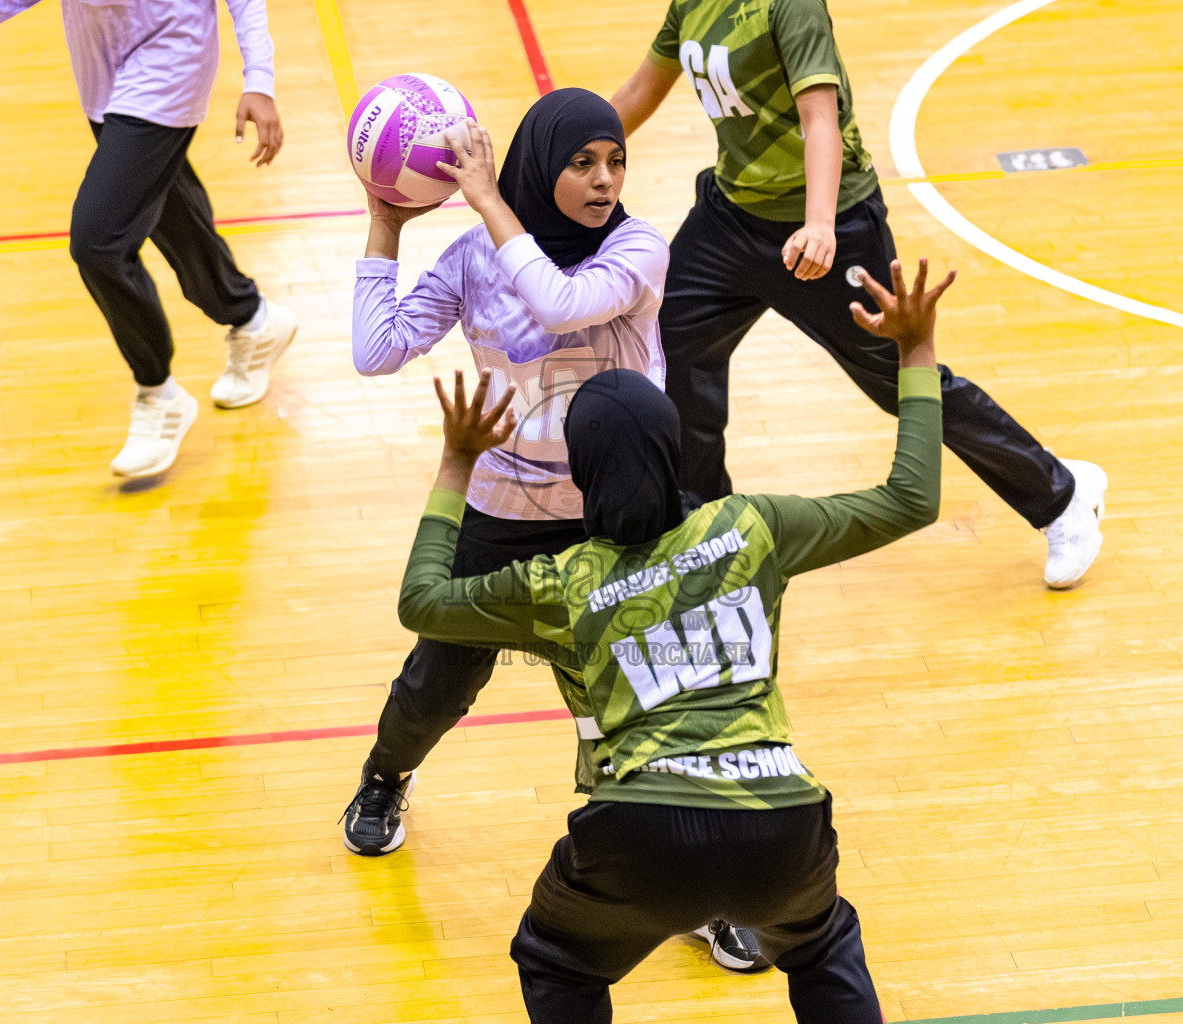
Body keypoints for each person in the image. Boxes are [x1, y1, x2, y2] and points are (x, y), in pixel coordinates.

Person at [396, 255, 953, 1022]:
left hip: (639, 830)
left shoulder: (560, 581)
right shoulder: (751, 526)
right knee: (821, 947)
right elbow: (912, 499)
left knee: (557, 961)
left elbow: (421, 602)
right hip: (780, 818)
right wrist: (916, 351)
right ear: (674, 449)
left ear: (585, 475)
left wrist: (459, 463)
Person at [345, 88, 767, 973]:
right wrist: (384, 223)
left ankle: (707, 888)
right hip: (503, 508)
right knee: (440, 677)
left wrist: (490, 200)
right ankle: (385, 777)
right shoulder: (470, 260)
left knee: (665, 704)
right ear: (545, 165)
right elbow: (376, 348)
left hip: (623, 518)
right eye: (582, 162)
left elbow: (563, 303)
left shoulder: (638, 248)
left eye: (615, 160)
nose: (605, 179)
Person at [608, 0, 1106, 588]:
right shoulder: (690, 4)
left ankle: (1060, 494)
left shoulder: (790, 7)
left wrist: (817, 222)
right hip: (731, 219)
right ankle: (710, 531)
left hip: (831, 225)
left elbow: (820, 116)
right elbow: (642, 88)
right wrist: (551, 156)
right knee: (674, 352)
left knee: (899, 383)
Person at [0, 0, 300, 479]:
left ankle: (157, 391)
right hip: (103, 71)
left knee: (98, 240)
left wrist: (259, 81)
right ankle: (252, 318)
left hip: (170, 61)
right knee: (171, 212)